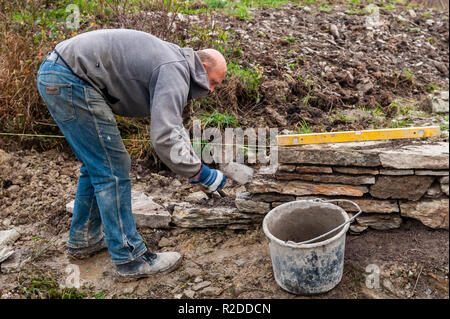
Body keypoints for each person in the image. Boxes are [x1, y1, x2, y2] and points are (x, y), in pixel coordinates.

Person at [36, 29, 227, 281]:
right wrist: (202, 172)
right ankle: (130, 258)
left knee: (98, 164)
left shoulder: (175, 63)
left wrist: (194, 169)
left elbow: (175, 128)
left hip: (61, 73)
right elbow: (164, 137)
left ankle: (84, 239)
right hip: (71, 78)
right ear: (202, 67)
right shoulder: (174, 69)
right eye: (214, 82)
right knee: (113, 167)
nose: (212, 90)